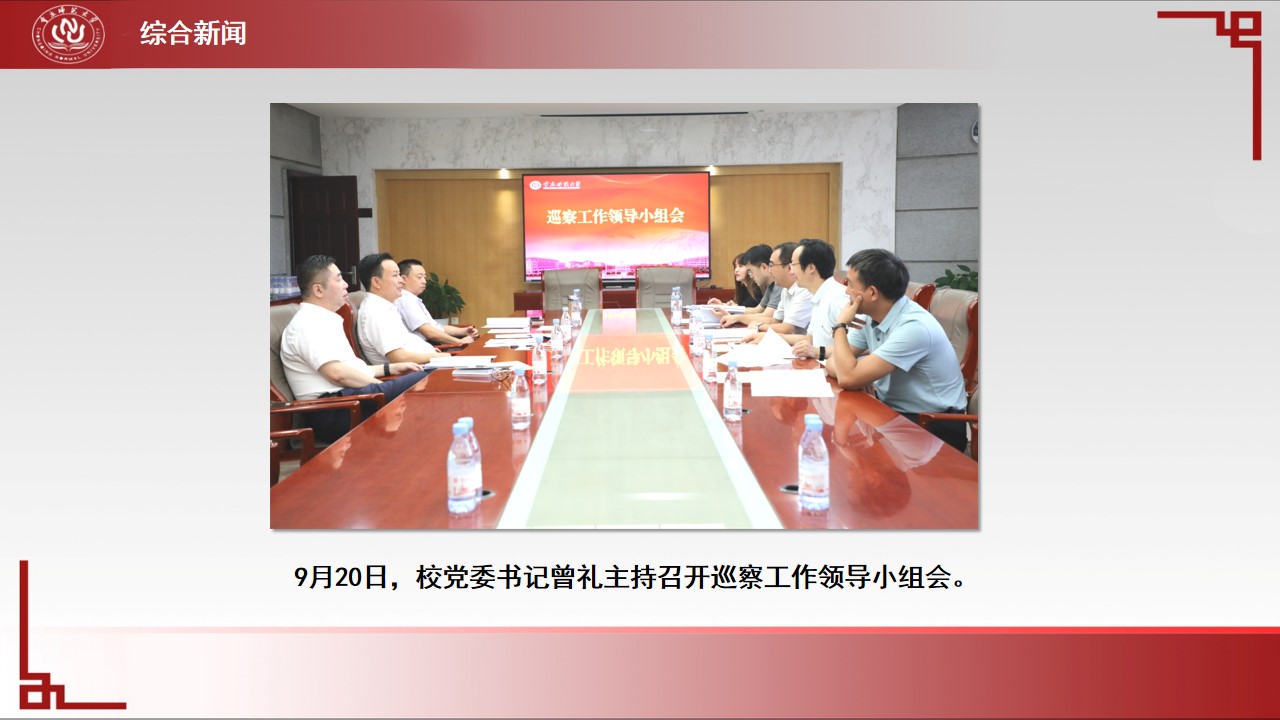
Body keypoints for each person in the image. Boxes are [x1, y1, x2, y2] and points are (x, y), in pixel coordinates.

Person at [825, 248, 969, 451]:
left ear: (872, 293)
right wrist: (850, 372)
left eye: (850, 284)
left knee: (846, 448)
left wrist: (840, 326)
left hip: (932, 424)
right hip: (893, 413)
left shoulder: (914, 327)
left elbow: (847, 377)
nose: (846, 291)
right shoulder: (871, 316)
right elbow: (837, 364)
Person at [280, 255, 431, 443]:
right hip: (334, 409)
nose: (346, 285)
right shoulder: (306, 325)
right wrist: (379, 388)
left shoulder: (325, 320)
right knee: (425, 378)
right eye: (338, 279)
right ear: (318, 289)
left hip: (349, 399)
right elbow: (337, 374)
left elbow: (350, 369)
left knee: (423, 374)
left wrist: (389, 368)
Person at [356, 253, 450, 365]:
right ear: (376, 282)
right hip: (414, 371)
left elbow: (405, 342)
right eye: (395, 275)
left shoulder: (386, 306)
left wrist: (429, 351)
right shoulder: (375, 312)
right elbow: (399, 358)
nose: (402, 280)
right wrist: (434, 356)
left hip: (424, 363)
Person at [788, 238, 850, 361]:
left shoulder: (838, 299)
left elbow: (860, 347)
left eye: (793, 265)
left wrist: (818, 352)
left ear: (811, 268)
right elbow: (809, 339)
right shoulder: (818, 296)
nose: (791, 271)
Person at [740, 242, 812, 343]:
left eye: (771, 265)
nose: (769, 270)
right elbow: (775, 320)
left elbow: (787, 328)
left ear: (789, 268)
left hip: (801, 346)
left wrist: (759, 326)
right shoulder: (785, 290)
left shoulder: (804, 290)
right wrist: (757, 325)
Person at [397, 258, 479, 346]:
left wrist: (464, 331)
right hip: (425, 348)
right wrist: (460, 342)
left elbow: (437, 327)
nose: (424, 281)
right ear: (404, 279)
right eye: (419, 277)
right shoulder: (405, 300)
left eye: (424, 277)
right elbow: (430, 333)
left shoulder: (413, 299)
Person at [713, 244, 781, 327]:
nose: (750, 276)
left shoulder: (779, 285)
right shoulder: (770, 286)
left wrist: (736, 317)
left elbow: (767, 316)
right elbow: (756, 310)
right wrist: (728, 310)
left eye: (751, 271)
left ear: (763, 267)